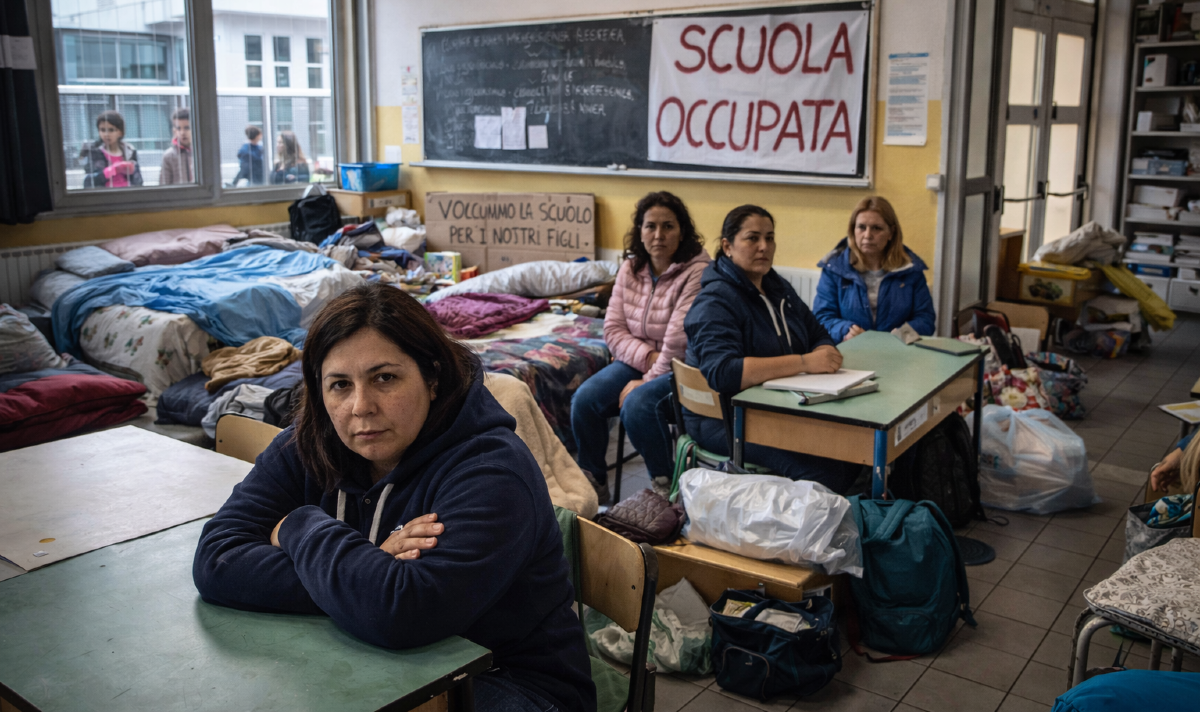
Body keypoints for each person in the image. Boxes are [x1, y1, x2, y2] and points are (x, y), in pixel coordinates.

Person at [193, 284, 596, 712]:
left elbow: (403, 611)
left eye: (385, 378)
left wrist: (299, 526)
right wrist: (365, 573)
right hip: (368, 656)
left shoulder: (491, 470)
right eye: (340, 385)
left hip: (510, 681)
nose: (361, 406)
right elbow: (216, 559)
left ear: (433, 377)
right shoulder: (308, 443)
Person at [683, 204, 861, 493]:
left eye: (770, 237)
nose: (764, 247)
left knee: (855, 448)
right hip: (724, 420)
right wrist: (804, 362)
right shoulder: (714, 300)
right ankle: (799, 532)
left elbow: (817, 332)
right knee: (825, 470)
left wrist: (824, 355)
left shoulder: (776, 286)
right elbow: (723, 372)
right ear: (727, 246)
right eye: (752, 238)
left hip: (780, 407)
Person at [570, 191, 709, 503]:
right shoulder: (630, 268)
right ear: (640, 231)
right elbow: (613, 329)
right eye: (650, 226)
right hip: (640, 358)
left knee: (639, 404)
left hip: (683, 367)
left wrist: (644, 381)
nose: (658, 235)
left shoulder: (698, 271)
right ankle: (594, 486)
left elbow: (678, 344)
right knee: (584, 400)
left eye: (668, 226)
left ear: (682, 231)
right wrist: (647, 357)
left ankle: (664, 486)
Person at [813, 196, 936, 341]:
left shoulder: (910, 269)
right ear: (853, 230)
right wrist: (845, 331)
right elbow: (822, 317)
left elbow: (925, 318)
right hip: (850, 352)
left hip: (898, 352)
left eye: (876, 228)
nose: (867, 235)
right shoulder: (834, 268)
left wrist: (902, 334)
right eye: (861, 227)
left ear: (891, 233)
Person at [79, 110, 142, 188]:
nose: (106, 134)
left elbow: (139, 182)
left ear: (120, 132)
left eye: (111, 130)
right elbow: (88, 182)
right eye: (102, 130)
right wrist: (112, 170)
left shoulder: (130, 152)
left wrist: (133, 171)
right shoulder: (94, 152)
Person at [159, 108, 194, 185]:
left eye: (187, 128)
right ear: (174, 130)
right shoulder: (168, 156)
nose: (182, 133)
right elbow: (164, 185)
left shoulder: (202, 153)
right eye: (178, 128)